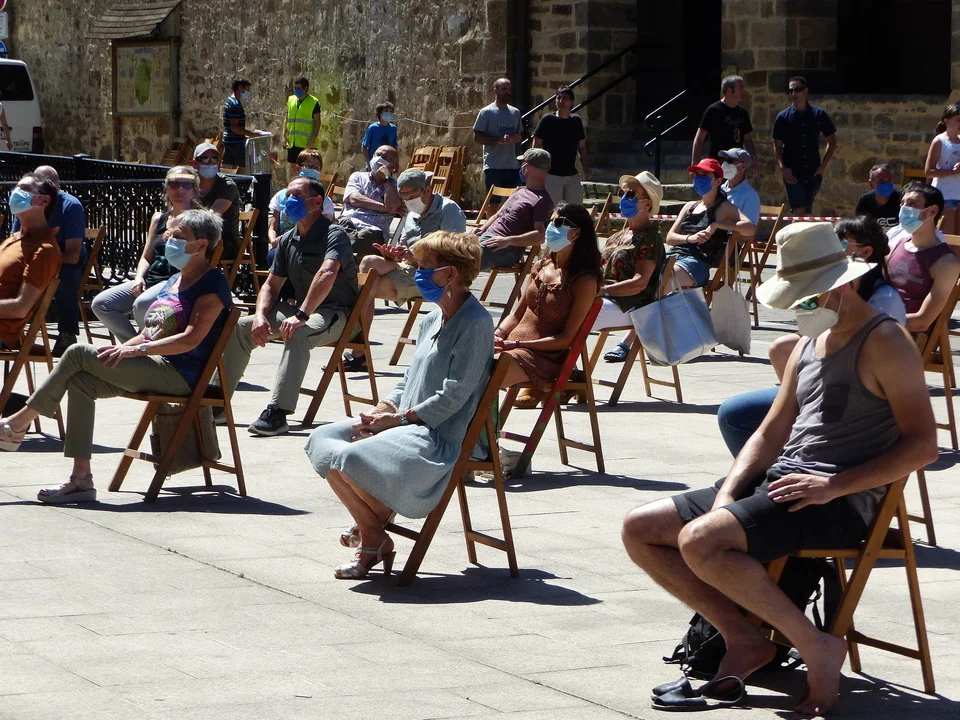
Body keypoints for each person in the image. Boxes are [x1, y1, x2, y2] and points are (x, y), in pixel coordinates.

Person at [622, 221, 938, 716]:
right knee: (640, 529)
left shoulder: (885, 340)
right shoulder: (812, 340)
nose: (797, 308)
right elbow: (770, 431)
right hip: (784, 483)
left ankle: (815, 646)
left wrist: (833, 485)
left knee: (701, 542)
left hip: (839, 499)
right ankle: (743, 637)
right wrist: (730, 490)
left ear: (838, 285)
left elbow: (923, 446)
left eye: (804, 296)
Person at [0, 210, 233, 504]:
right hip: (154, 364)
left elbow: (191, 339)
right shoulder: (175, 279)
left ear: (201, 245)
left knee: (77, 352)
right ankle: (81, 480)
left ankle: (18, 423)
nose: (168, 241)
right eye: (168, 234)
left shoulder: (212, 283)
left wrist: (136, 350)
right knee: (81, 381)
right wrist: (126, 347)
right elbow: (149, 332)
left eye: (177, 236)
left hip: (179, 374)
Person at [304, 231, 492, 579]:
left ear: (450, 273)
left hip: (437, 434)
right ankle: (373, 530)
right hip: (405, 422)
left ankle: (371, 535)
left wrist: (398, 420)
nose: (416, 274)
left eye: (424, 267)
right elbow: (409, 377)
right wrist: (383, 408)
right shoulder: (431, 318)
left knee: (350, 456)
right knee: (323, 442)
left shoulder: (476, 322)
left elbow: (455, 394)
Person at [718, 216, 908, 457]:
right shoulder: (819, 316)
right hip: (820, 384)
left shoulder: (884, 311)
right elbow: (770, 429)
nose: (800, 305)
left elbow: (915, 439)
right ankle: (774, 468)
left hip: (850, 394)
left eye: (841, 242)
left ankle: (780, 464)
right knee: (733, 413)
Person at [219, 176, 360, 437]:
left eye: (296, 195)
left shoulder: (334, 234)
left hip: (338, 314)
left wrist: (302, 315)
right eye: (287, 195)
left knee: (298, 332)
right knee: (240, 328)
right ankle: (215, 402)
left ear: (316, 202)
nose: (288, 201)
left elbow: (327, 273)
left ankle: (278, 412)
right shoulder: (287, 240)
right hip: (302, 310)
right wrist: (260, 315)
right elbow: (271, 285)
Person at [342, 168, 467, 370]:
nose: (408, 202)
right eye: (404, 198)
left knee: (367, 288)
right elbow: (405, 246)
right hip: (409, 265)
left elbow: (455, 256)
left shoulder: (448, 210)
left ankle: (356, 346)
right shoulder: (412, 213)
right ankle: (357, 344)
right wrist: (392, 254)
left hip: (435, 274)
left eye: (411, 197)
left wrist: (417, 257)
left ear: (427, 190)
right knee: (368, 263)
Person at [495, 203, 601, 397]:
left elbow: (566, 339)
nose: (551, 227)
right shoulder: (541, 266)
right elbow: (517, 315)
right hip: (512, 346)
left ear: (577, 233)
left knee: (484, 375)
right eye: (550, 222)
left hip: (543, 357)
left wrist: (517, 345)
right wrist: (497, 335)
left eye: (559, 222)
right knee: (464, 360)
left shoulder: (583, 281)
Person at [92, 166, 201, 343]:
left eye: (186, 184)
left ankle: (147, 347)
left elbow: (201, 256)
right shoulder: (159, 218)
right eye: (174, 184)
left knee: (141, 304)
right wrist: (139, 278)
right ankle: (135, 348)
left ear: (194, 189)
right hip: (151, 279)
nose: (180, 189)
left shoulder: (200, 220)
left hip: (177, 280)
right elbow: (146, 256)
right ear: (166, 188)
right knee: (101, 304)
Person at [10, 165, 86, 356]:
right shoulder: (27, 206)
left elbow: (73, 254)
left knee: (63, 277)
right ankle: (10, 332)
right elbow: (15, 242)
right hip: (34, 258)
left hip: (63, 261)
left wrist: (42, 262)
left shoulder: (71, 206)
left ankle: (67, 333)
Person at [594, 171, 666, 363]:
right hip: (606, 299)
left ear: (647, 204)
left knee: (571, 313)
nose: (625, 198)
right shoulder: (616, 236)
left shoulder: (649, 238)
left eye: (632, 194)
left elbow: (639, 283)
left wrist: (603, 291)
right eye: (623, 193)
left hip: (630, 305)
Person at [665, 158, 754, 290]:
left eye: (705, 174)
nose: (699, 178)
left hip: (696, 263)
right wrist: (690, 238)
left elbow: (749, 228)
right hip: (674, 256)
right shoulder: (689, 206)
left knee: (664, 279)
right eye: (697, 174)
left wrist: (717, 224)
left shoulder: (723, 207)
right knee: (647, 277)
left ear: (717, 181)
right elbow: (670, 238)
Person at [887, 181, 960, 333]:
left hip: (904, 337)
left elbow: (922, 321)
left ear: (932, 211)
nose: (904, 208)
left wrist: (873, 323)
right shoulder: (896, 245)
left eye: (912, 204)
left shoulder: (946, 262)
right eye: (902, 203)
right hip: (878, 327)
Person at [0, 173, 62, 353]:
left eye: (25, 189)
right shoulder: (14, 239)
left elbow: (21, 307)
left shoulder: (44, 250)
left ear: (44, 201)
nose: (16, 193)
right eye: (17, 188)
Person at [475, 148, 554, 270]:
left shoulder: (542, 200)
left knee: (465, 259)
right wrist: (482, 229)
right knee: (453, 248)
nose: (521, 167)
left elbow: (541, 235)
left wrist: (508, 240)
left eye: (523, 163)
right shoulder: (519, 190)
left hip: (506, 248)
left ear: (528, 167)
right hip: (488, 237)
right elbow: (498, 214)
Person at [772, 77, 838, 215]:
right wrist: (783, 168)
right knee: (799, 210)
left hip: (813, 172)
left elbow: (831, 142)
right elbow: (777, 146)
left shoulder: (818, 114)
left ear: (806, 91)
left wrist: (823, 166)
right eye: (791, 90)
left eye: (797, 90)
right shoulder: (783, 117)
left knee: (806, 212)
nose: (793, 94)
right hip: (792, 173)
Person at [340, 145, 403, 259]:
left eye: (386, 158)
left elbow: (392, 205)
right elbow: (354, 199)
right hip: (348, 222)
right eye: (378, 155)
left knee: (361, 238)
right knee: (339, 231)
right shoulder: (358, 176)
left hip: (372, 230)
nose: (380, 159)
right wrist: (385, 208)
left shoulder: (395, 187)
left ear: (394, 166)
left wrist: (387, 179)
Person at [533, 86, 590, 204]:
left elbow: (582, 147)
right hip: (551, 175)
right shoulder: (548, 120)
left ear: (571, 102)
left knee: (575, 209)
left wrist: (586, 168)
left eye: (565, 98)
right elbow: (536, 146)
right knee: (553, 210)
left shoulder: (576, 121)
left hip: (571, 174)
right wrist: (535, 169)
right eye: (558, 98)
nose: (561, 101)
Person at [692, 76, 757, 168]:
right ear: (729, 91)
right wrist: (695, 164)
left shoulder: (742, 112)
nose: (744, 91)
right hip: (717, 165)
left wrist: (753, 157)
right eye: (740, 88)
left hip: (737, 165)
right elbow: (699, 139)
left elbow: (747, 139)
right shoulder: (713, 110)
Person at [192, 142, 241, 260]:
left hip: (224, 242)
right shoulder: (190, 184)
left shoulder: (227, 185)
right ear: (195, 163)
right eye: (205, 158)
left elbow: (211, 216)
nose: (210, 163)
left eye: (214, 158)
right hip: (196, 237)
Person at [473, 78, 523, 191]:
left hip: (513, 167)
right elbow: (477, 137)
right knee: (493, 200)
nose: (508, 92)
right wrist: (497, 140)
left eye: (509, 89)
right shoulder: (486, 112)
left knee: (513, 200)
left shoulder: (515, 112)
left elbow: (520, 134)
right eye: (504, 89)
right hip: (493, 167)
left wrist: (517, 138)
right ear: (495, 90)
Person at [923, 104, 960, 235]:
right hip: (944, 197)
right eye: (958, 120)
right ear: (946, 121)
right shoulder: (939, 141)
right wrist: (952, 172)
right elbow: (928, 171)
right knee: (946, 239)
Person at [221, 78, 267, 171]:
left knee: (227, 168)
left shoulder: (229, 101)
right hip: (236, 143)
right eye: (247, 89)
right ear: (240, 88)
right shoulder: (235, 105)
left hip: (228, 141)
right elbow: (234, 127)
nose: (248, 92)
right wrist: (251, 134)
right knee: (244, 168)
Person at [284, 76, 322, 180]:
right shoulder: (291, 100)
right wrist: (284, 136)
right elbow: (287, 118)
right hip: (293, 142)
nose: (296, 90)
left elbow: (317, 122)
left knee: (308, 170)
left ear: (305, 88)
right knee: (294, 170)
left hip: (306, 144)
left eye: (299, 88)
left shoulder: (314, 102)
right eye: (295, 88)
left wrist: (313, 139)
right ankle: (295, 187)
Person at [718, 148, 760, 226]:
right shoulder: (718, 189)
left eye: (730, 161)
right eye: (724, 160)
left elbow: (748, 229)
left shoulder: (750, 196)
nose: (724, 164)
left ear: (743, 166)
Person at [854, 163, 901, 229]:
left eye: (889, 180)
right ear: (871, 184)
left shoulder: (901, 199)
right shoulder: (864, 201)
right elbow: (859, 228)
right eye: (881, 181)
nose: (886, 184)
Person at [361, 102, 399, 167]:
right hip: (373, 163)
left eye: (390, 111)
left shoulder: (393, 128)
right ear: (379, 113)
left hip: (388, 164)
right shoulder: (372, 128)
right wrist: (368, 163)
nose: (389, 113)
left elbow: (394, 147)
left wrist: (396, 163)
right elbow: (364, 147)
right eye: (386, 111)